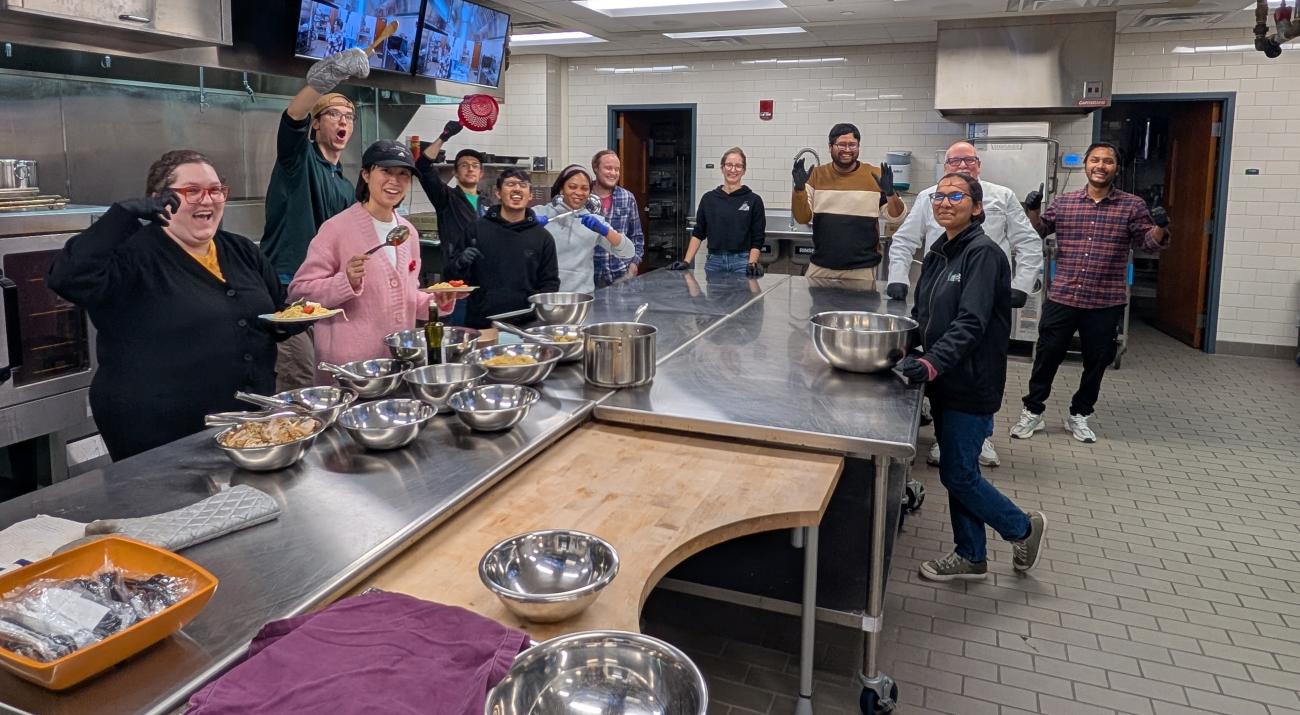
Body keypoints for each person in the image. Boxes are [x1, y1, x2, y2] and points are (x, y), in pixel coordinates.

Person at [47, 151, 300, 461]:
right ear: (159, 200)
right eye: (192, 191)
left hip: (243, 426)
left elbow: (273, 310)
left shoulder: (241, 250)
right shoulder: (130, 256)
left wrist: (285, 323)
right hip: (158, 434)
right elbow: (67, 278)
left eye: (216, 189)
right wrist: (120, 217)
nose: (207, 200)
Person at [897, 172, 1047, 582]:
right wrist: (904, 347)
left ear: (977, 207)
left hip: (972, 380)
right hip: (946, 377)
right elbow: (924, 315)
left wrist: (930, 363)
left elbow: (971, 323)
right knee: (961, 471)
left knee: (958, 473)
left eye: (956, 196)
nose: (945, 202)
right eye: (939, 196)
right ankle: (971, 555)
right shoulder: (938, 253)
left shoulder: (984, 255)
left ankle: (1022, 528)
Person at [887, 140, 1045, 468]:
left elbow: (1028, 241)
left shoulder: (1000, 197)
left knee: (978, 366)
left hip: (984, 294)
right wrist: (898, 278)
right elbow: (904, 240)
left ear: (979, 165)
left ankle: (979, 438)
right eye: (953, 161)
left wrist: (1021, 285)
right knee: (944, 363)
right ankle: (949, 437)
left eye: (968, 160)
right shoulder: (930, 198)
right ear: (944, 167)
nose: (961, 166)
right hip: (942, 295)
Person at [1012, 142, 1170, 444]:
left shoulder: (1132, 205)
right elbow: (1040, 230)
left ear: (1116, 168)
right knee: (1047, 356)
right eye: (1095, 160)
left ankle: (1080, 414)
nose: (1101, 165)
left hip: (1105, 300)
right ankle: (1033, 410)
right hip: (1064, 296)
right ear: (1086, 164)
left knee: (1097, 360)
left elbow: (1148, 242)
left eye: (1108, 161)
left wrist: (1161, 227)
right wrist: (1032, 210)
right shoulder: (1066, 202)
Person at [290, 140, 454, 375]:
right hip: (350, 371)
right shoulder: (336, 229)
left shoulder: (408, 233)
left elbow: (406, 297)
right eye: (386, 171)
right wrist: (344, 281)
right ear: (366, 174)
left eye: (403, 174)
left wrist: (437, 301)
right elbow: (300, 293)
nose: (394, 181)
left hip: (398, 366)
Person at [260, 48, 371, 390]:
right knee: (301, 383)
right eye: (334, 114)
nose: (343, 122)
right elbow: (293, 117)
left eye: (349, 117)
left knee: (329, 383)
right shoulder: (297, 161)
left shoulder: (343, 181)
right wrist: (325, 79)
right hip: (288, 291)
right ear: (317, 123)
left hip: (327, 294)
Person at [792, 123, 906, 280]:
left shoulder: (875, 175)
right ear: (830, 146)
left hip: (862, 270)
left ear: (858, 146)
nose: (847, 150)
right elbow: (802, 218)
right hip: (821, 267)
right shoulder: (816, 175)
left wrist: (891, 193)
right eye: (841, 144)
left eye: (852, 145)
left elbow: (897, 217)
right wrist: (799, 189)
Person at [459, 169, 560, 328]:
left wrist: (534, 305)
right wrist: (460, 263)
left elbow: (550, 283)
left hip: (527, 324)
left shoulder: (543, 237)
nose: (517, 189)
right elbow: (456, 281)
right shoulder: (476, 230)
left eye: (522, 185)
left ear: (530, 195)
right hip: (483, 323)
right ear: (498, 193)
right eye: (510, 184)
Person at [414, 120, 492, 317]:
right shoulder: (446, 198)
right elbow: (422, 166)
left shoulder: (489, 206)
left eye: (475, 165)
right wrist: (444, 136)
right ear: (456, 173)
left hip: (487, 283)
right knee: (461, 337)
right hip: (458, 282)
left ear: (481, 173)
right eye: (464, 165)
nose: (470, 169)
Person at [534, 164, 634, 293]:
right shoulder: (538, 214)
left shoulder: (594, 221)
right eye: (572, 187)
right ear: (561, 189)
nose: (579, 193)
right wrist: (527, 226)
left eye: (584, 188)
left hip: (581, 298)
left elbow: (628, 252)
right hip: (545, 295)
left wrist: (605, 231)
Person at [668, 147, 766, 276]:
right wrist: (686, 262)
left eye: (738, 166)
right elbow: (698, 233)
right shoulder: (708, 199)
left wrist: (752, 263)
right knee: (714, 296)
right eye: (729, 165)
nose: (733, 170)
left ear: (744, 171)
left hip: (742, 262)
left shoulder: (754, 200)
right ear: (722, 168)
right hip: (714, 262)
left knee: (743, 297)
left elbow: (758, 237)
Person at [590, 150, 645, 287]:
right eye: (608, 168)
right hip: (588, 276)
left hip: (621, 274)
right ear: (595, 168)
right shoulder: (582, 196)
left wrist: (634, 263)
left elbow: (637, 236)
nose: (613, 173)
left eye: (617, 169)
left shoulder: (627, 198)